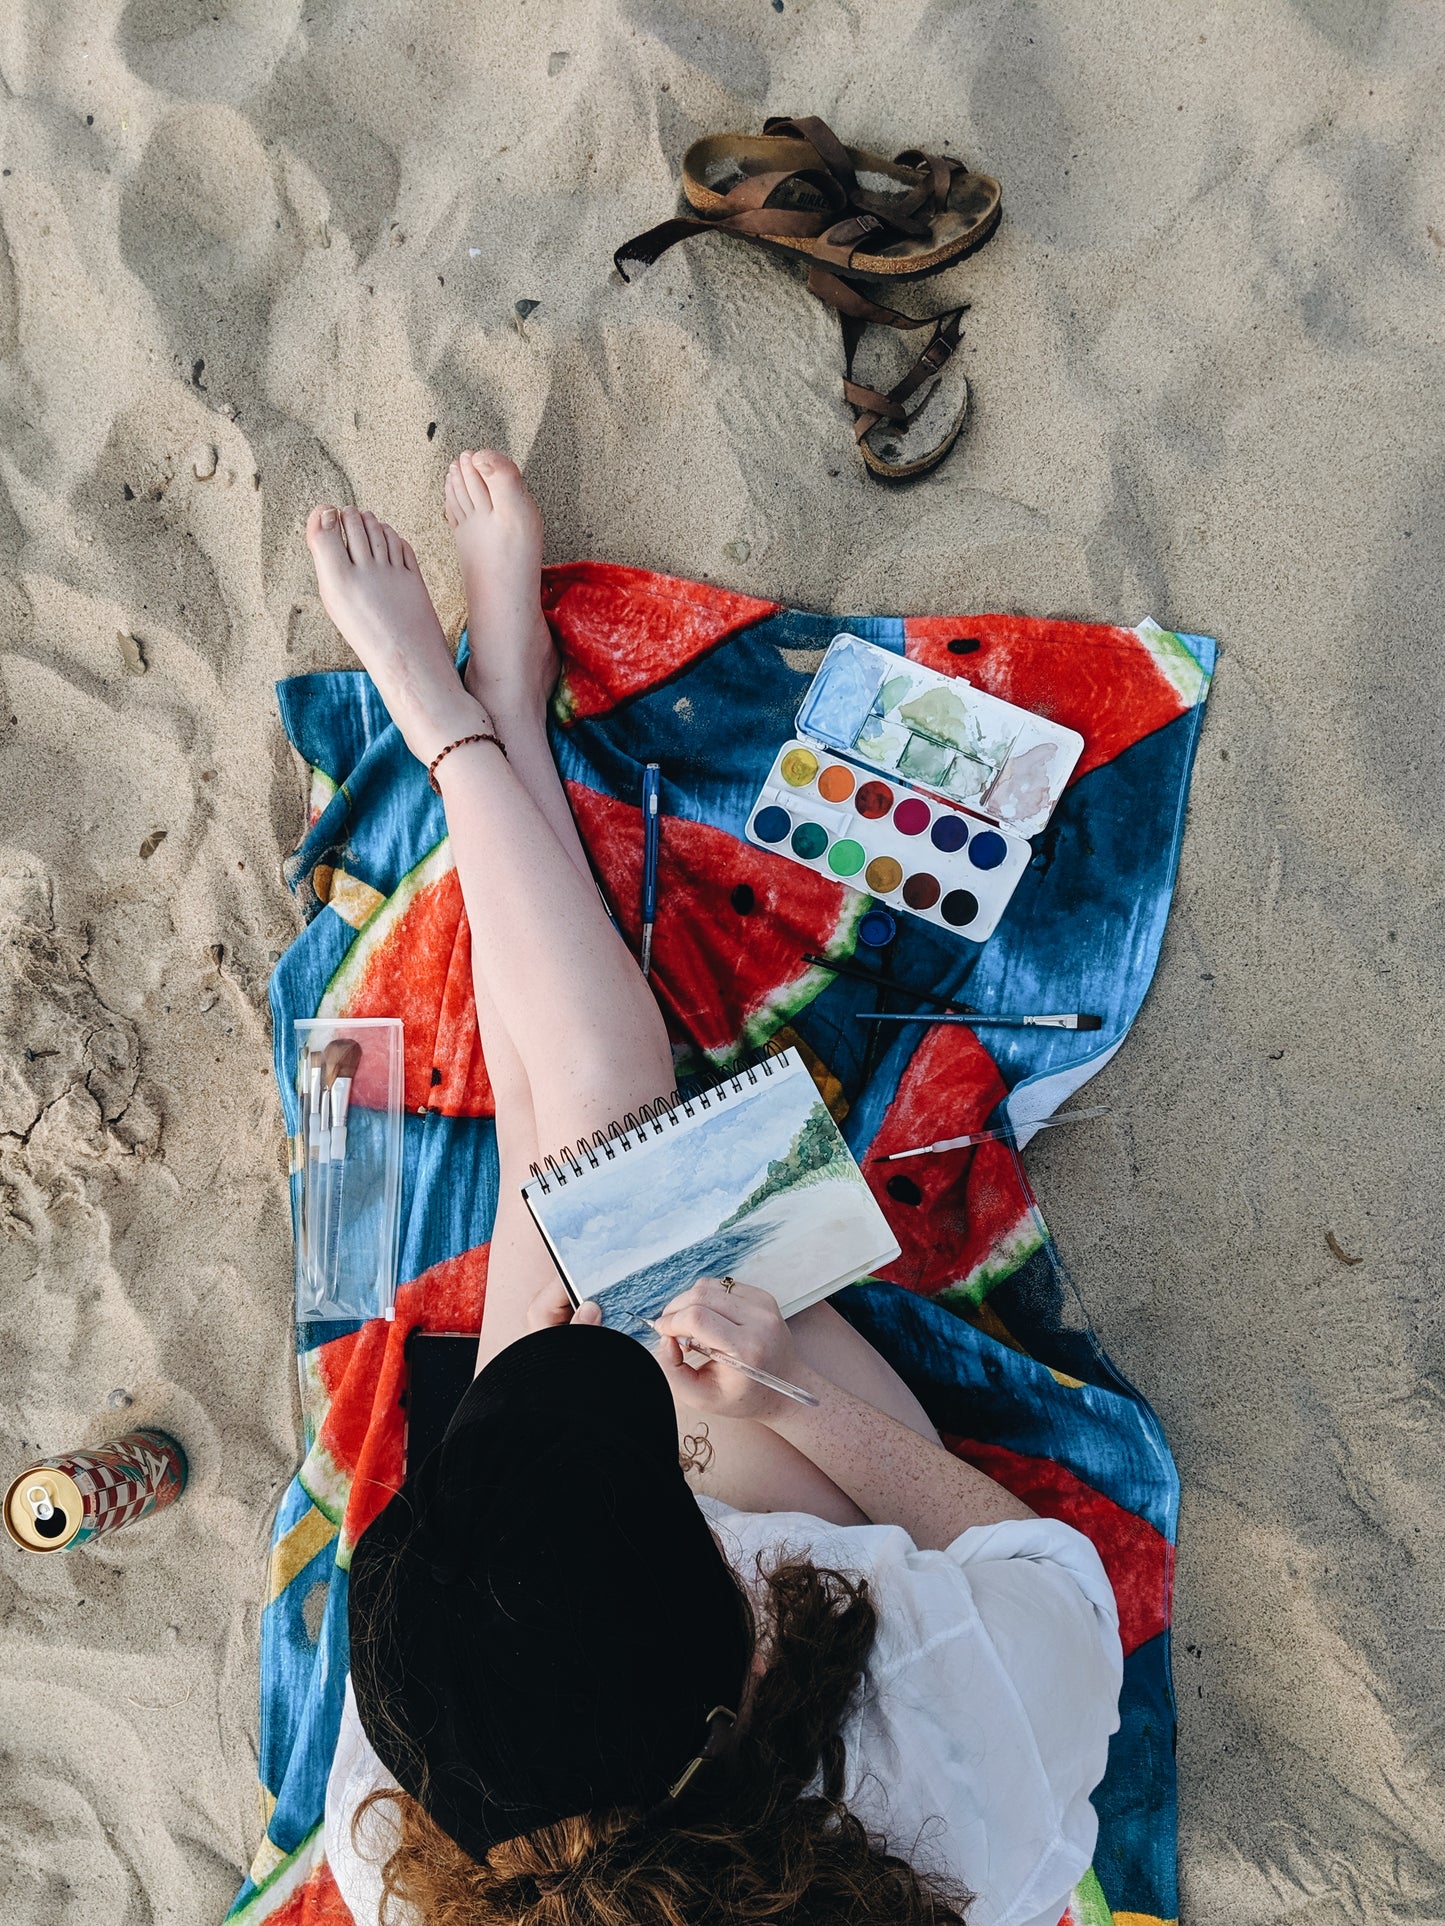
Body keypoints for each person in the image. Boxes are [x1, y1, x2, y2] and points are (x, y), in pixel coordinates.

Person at [305, 451, 1123, 1925]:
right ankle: (470, 726)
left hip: (577, 1630)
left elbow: (448, 1617)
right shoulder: (950, 1752)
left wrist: (533, 1365)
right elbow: (1045, 1567)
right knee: (606, 1129)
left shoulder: (399, 1851)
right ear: (739, 1644)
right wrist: (790, 1401)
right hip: (813, 1516)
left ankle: (486, 723)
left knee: (567, 1168)